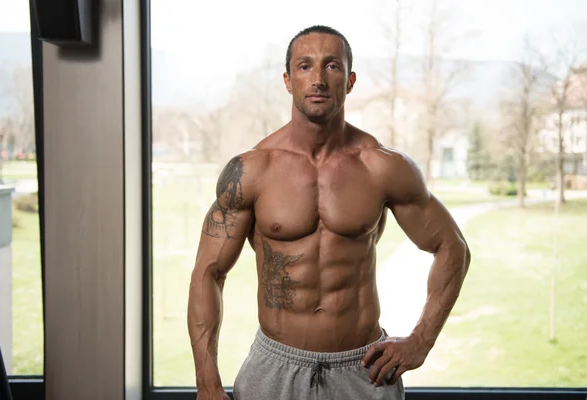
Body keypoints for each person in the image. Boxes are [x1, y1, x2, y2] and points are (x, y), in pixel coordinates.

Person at [187, 25, 471, 400]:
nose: (318, 79)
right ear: (288, 81)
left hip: (363, 368)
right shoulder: (253, 170)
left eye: (332, 66)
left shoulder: (381, 167)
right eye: (305, 67)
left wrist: (421, 340)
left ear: (350, 80)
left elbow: (453, 247)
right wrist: (207, 383)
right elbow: (209, 272)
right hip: (275, 367)